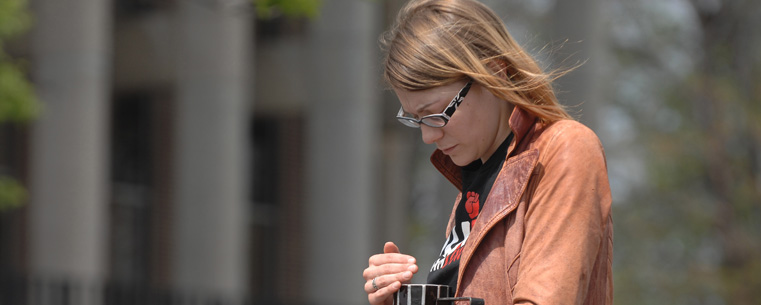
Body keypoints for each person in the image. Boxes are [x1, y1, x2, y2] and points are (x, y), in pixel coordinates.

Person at [362, 0, 613, 304]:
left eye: (437, 113)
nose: (428, 135)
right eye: (415, 119)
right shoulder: (474, 192)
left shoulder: (562, 150)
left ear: (494, 73)